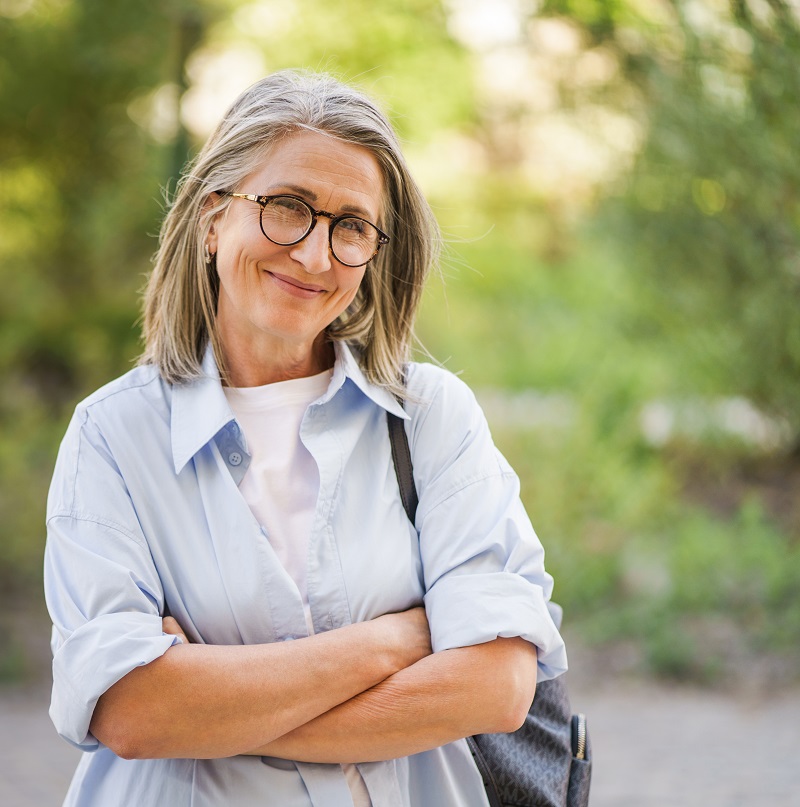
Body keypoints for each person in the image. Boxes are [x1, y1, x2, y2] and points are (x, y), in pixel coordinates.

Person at [44, 69, 567, 807]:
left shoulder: (431, 417)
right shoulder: (111, 436)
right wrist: (397, 641)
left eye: (350, 226)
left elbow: (499, 684)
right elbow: (130, 709)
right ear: (213, 216)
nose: (317, 256)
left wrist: (207, 705)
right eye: (288, 207)